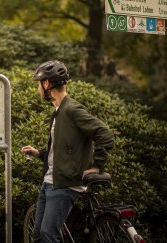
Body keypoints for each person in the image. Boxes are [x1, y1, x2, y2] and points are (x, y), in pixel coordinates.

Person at [22, 60, 115, 243]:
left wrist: (97, 165)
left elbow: (105, 134)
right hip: (50, 181)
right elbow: (64, 148)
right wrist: (40, 153)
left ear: (47, 84)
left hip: (64, 184)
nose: (38, 89)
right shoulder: (59, 111)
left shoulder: (72, 109)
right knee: (39, 236)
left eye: (38, 84)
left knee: (49, 234)